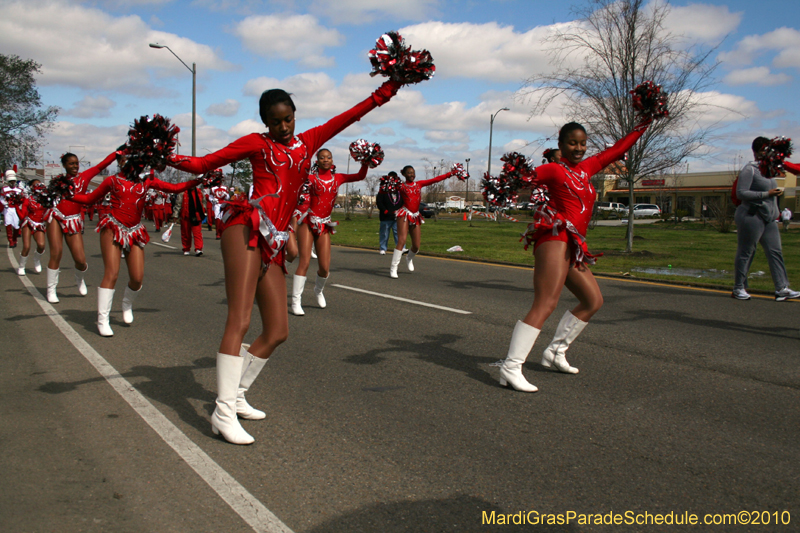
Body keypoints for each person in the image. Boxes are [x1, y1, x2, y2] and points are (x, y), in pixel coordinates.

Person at [167, 78, 403, 445]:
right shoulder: (255, 143)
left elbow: (350, 116)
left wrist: (389, 88)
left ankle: (238, 394)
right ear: (265, 121)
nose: (283, 126)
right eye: (275, 121)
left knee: (278, 330)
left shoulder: (308, 142)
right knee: (240, 320)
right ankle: (223, 412)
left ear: (295, 116)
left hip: (274, 240)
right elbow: (202, 163)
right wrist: (159, 155)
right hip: (246, 227)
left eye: (288, 119)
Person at [497, 118, 658, 393]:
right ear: (561, 145)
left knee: (593, 300)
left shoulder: (586, 169)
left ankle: (555, 351)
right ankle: (511, 367)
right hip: (554, 238)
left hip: (573, 244)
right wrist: (512, 179)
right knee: (546, 303)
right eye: (572, 143)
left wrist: (646, 120)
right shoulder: (554, 170)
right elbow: (520, 180)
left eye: (583, 143)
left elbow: (618, 150)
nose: (579, 148)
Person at [70, 162, 202, 336]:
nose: (131, 164)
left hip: (135, 230)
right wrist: (66, 194)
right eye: (126, 160)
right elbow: (88, 199)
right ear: (121, 163)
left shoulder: (147, 181)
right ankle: (103, 320)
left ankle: (127, 303)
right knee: (112, 273)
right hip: (112, 227)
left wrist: (198, 180)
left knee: (137, 278)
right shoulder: (112, 180)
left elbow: (175, 188)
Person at [290, 148, 369, 316]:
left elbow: (360, 176)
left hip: (325, 224)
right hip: (307, 221)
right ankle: (296, 301)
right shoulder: (309, 178)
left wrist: (366, 162)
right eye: (322, 157)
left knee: (325, 267)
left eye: (329, 157)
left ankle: (318, 290)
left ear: (332, 160)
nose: (326, 160)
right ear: (317, 161)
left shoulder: (338, 178)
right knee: (304, 261)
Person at [44, 150, 117, 303]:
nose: (75, 166)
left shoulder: (84, 177)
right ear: (64, 165)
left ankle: (79, 278)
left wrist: (118, 152)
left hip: (73, 219)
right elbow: (48, 197)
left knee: (81, 260)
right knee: (56, 252)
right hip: (55, 215)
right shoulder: (58, 180)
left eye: (76, 163)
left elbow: (102, 165)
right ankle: (51, 289)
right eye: (71, 164)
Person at [732, 137, 800, 302]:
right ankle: (739, 287)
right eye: (764, 150)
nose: (768, 153)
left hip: (768, 218)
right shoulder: (751, 169)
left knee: (775, 252)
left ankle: (781, 287)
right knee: (747, 251)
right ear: (756, 152)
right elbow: (741, 193)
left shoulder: (770, 171)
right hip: (751, 215)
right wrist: (766, 194)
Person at [389, 165, 458, 278]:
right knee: (401, 240)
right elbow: (387, 189)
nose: (412, 175)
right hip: (405, 214)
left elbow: (435, 179)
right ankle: (393, 268)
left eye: (413, 172)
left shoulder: (419, 184)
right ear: (404, 174)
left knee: (416, 246)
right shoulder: (401, 186)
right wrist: (388, 183)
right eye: (409, 173)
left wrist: (450, 174)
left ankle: (409, 258)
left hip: (415, 215)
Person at [17, 179, 47, 275]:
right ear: (31, 187)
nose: (38, 186)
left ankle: (36, 260)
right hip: (28, 222)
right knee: (26, 246)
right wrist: (17, 206)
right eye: (36, 184)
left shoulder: (46, 199)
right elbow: (22, 213)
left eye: (40, 184)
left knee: (41, 245)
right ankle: (21, 266)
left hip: (40, 224)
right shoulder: (28, 198)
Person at [174, 185, 206, 256]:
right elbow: (178, 204)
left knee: (197, 233)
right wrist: (176, 215)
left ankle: (198, 249)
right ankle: (186, 248)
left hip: (197, 215)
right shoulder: (182, 193)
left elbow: (204, 202)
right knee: (186, 233)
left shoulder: (199, 192)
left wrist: (203, 210)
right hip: (185, 216)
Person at [376, 171, 402, 255]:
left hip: (397, 216)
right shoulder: (383, 190)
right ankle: (383, 248)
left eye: (394, 178)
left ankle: (401, 248)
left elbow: (403, 201)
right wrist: (385, 210)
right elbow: (379, 202)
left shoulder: (399, 190)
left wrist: (400, 211)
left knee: (398, 234)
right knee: (384, 233)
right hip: (386, 216)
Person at [1, 170, 23, 248]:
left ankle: (14, 239)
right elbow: (1, 198)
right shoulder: (4, 189)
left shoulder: (19, 190)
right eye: (10, 181)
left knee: (16, 225)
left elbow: (22, 200)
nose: (12, 182)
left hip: (15, 209)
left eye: (13, 181)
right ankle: (10, 241)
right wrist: (5, 203)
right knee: (8, 224)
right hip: (7, 209)